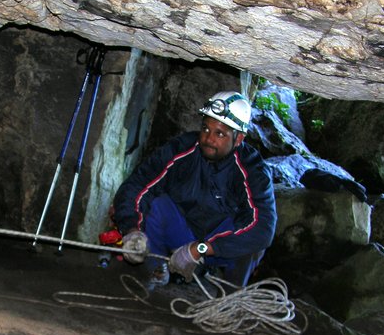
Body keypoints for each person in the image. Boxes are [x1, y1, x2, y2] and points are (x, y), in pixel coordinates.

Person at [113, 91, 276, 289]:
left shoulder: (253, 170)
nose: (209, 139)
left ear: (238, 138)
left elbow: (264, 227)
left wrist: (201, 249)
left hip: (218, 245)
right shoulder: (182, 149)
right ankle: (156, 269)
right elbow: (138, 184)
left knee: (253, 242)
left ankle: (227, 296)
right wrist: (131, 229)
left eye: (220, 134)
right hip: (183, 233)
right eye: (205, 129)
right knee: (158, 204)